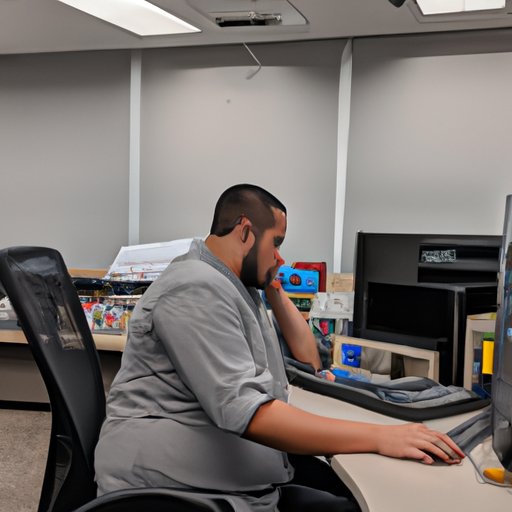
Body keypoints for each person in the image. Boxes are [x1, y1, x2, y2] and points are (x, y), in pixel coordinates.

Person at [94, 184, 464, 512]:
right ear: (245, 231)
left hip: (220, 479)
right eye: (277, 243)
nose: (280, 256)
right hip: (172, 488)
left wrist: (272, 285)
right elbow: (249, 413)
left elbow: (308, 359)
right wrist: (382, 437)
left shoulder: (235, 286)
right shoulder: (195, 287)